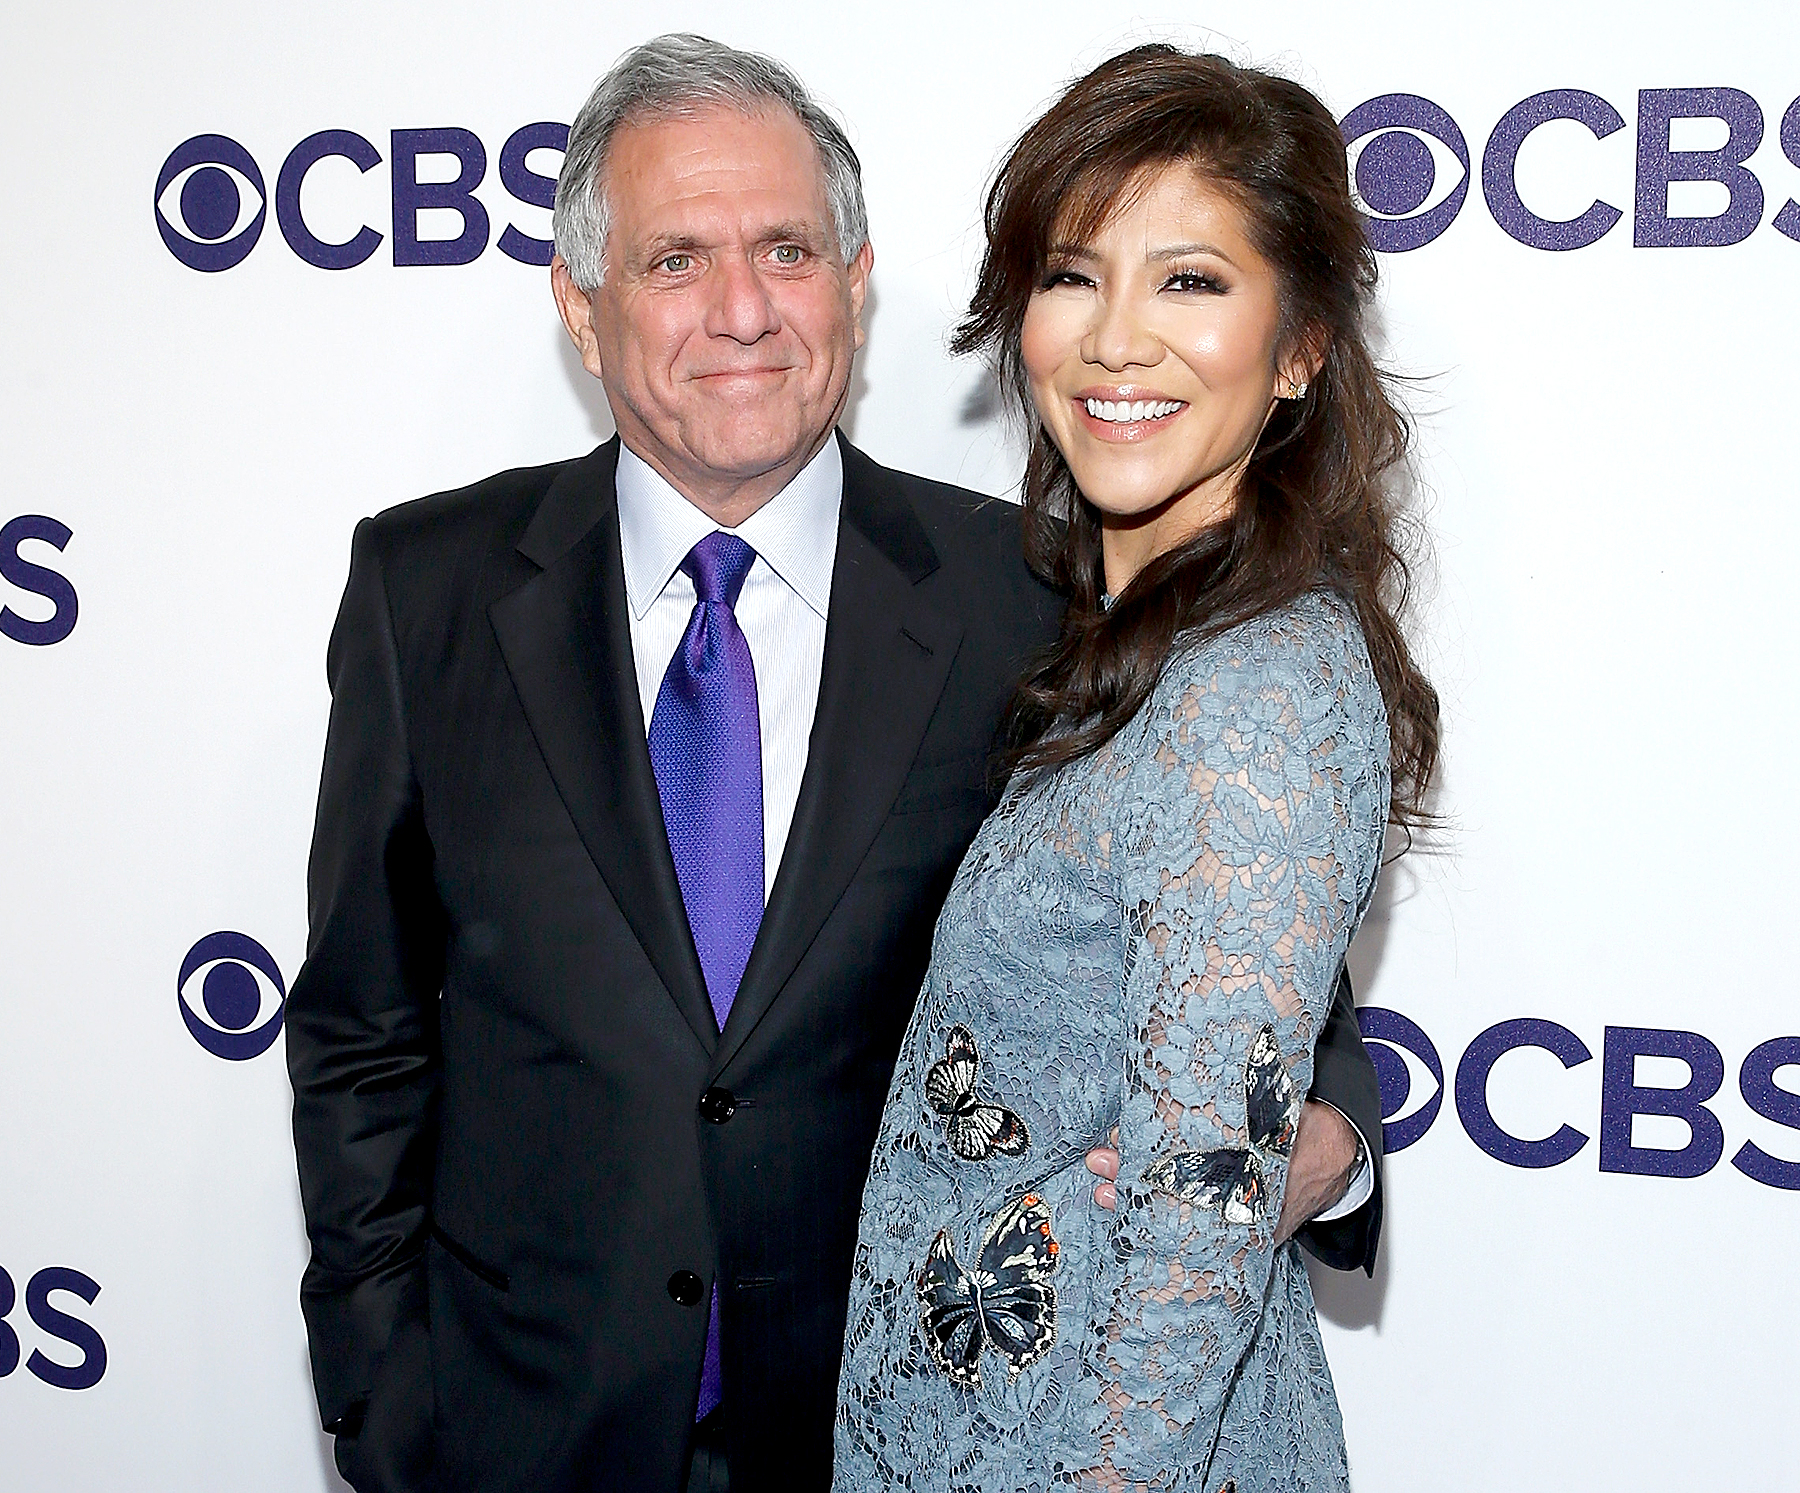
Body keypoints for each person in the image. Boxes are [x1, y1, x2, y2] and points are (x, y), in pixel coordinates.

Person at [284, 34, 1384, 1493]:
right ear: (580, 300)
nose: (742, 310)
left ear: (854, 287)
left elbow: (1251, 967)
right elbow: (364, 1029)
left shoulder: (1040, 596)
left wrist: (1331, 1142)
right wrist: (385, 1408)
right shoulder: (425, 588)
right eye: (677, 258)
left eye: (789, 249)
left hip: (884, 1439)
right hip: (518, 1433)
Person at [833, 44, 1438, 1493]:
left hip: (1090, 1454)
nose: (1115, 339)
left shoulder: (1258, 690)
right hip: (963, 1420)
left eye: (1189, 281)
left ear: (1299, 348)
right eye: (1071, 273)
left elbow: (1202, 1202)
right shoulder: (1110, 630)